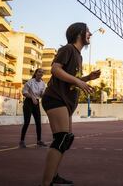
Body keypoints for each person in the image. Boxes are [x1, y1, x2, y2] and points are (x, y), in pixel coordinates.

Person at [41, 22, 101, 186]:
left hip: (65, 101)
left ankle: (53, 176)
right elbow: (55, 69)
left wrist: (88, 78)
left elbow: (71, 81)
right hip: (55, 98)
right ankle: (46, 182)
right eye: (88, 31)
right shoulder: (67, 49)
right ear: (79, 33)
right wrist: (78, 81)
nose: (90, 34)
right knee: (61, 138)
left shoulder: (78, 55)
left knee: (66, 140)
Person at [20, 68, 47, 148]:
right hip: (28, 102)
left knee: (38, 122)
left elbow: (41, 95)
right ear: (35, 73)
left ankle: (39, 141)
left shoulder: (43, 84)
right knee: (27, 122)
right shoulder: (30, 82)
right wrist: (32, 97)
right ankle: (22, 141)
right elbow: (24, 92)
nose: (41, 73)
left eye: (42, 72)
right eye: (39, 72)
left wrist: (43, 95)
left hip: (36, 103)